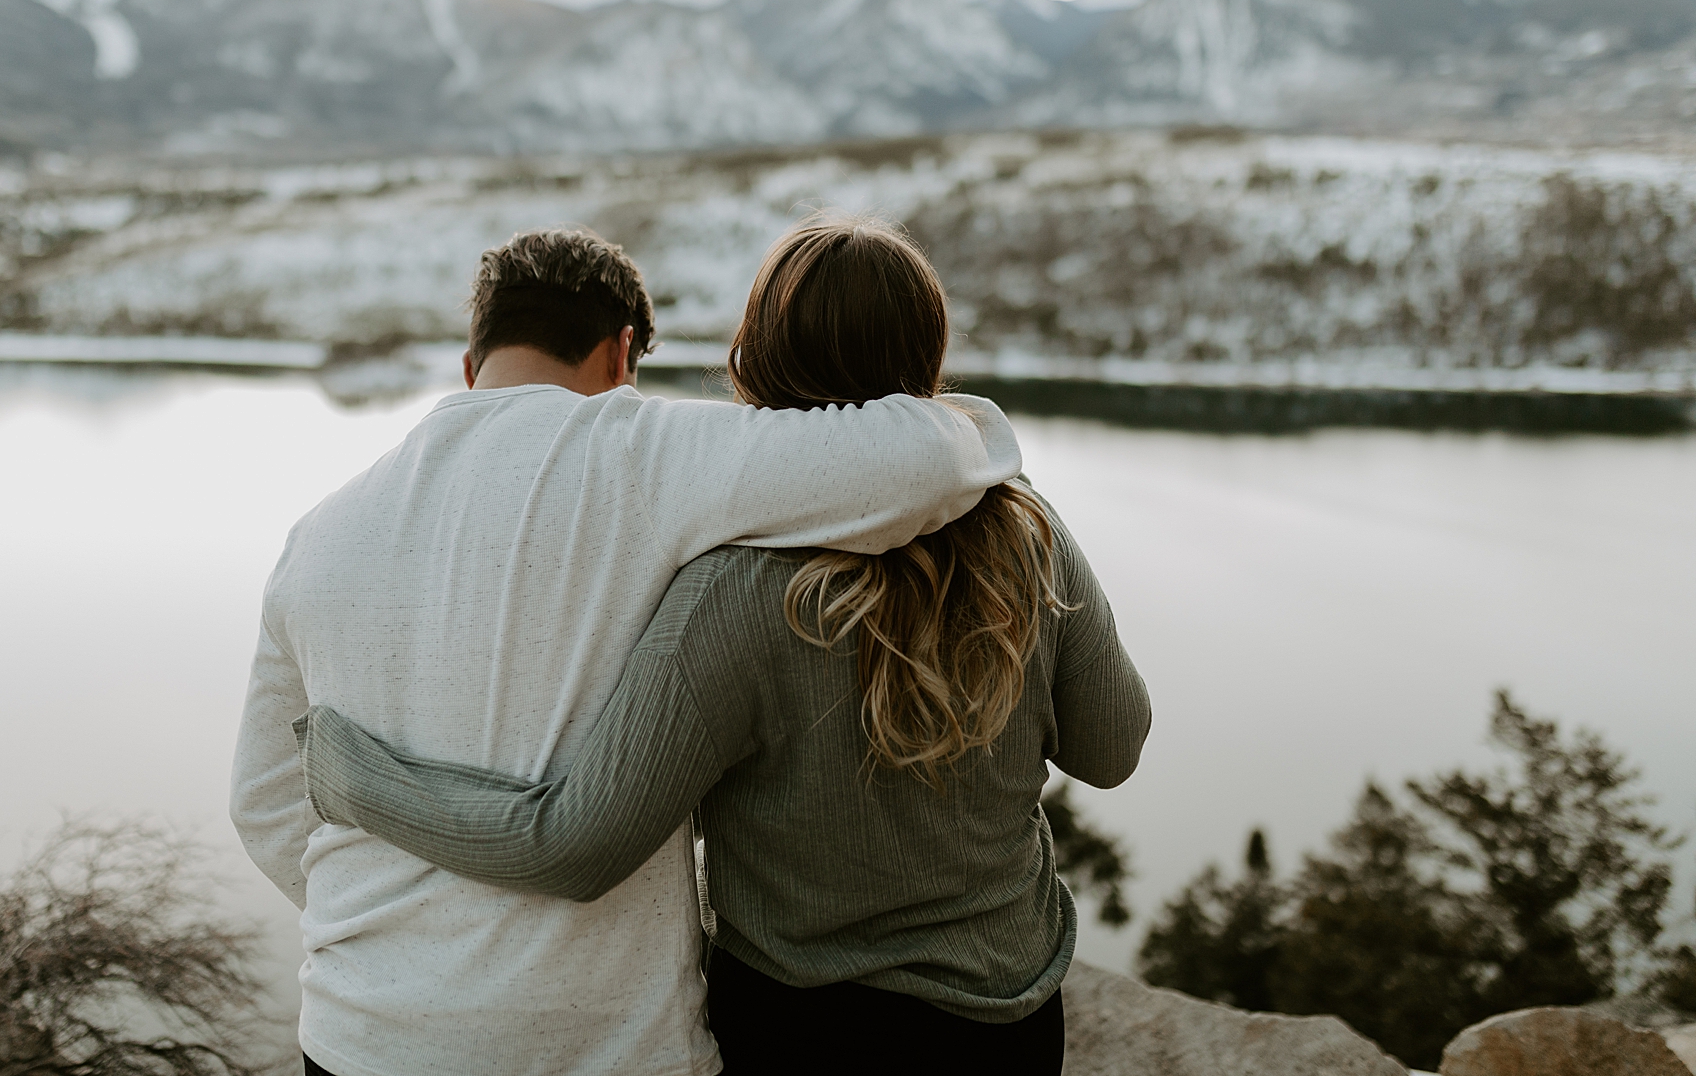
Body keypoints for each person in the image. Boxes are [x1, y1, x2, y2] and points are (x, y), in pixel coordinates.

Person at [293, 217, 1152, 1074]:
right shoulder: (1028, 534)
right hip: (1009, 1021)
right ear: (927, 350)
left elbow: (573, 841)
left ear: (760, 354)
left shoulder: (735, 589)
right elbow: (1112, 748)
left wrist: (353, 774)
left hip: (800, 1032)